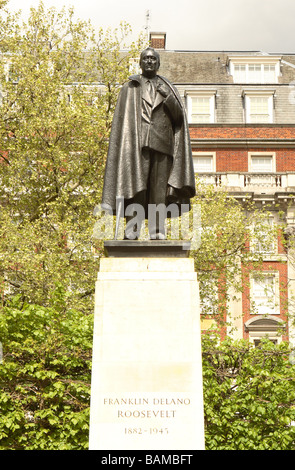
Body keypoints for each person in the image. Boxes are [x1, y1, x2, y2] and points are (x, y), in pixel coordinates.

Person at [101, 47, 195, 239]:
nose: (150, 62)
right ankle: (132, 230)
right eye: (146, 58)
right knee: (136, 186)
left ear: (159, 64)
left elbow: (178, 118)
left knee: (158, 190)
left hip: (162, 143)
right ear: (140, 63)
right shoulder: (130, 88)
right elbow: (122, 122)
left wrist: (168, 97)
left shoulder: (168, 88)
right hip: (136, 143)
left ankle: (157, 230)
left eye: (153, 59)